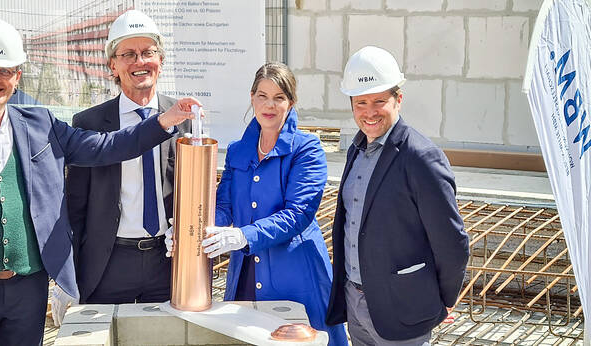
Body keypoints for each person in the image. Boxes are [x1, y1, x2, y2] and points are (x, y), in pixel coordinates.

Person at [0, 18, 199, 346]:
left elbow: (106, 147)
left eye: (5, 71)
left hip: (27, 291)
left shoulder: (40, 125)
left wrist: (164, 121)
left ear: (17, 76)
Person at [167, 62, 348, 345]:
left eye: (279, 98)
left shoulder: (307, 150)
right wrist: (188, 230)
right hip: (246, 277)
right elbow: (223, 206)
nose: (269, 105)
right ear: (252, 98)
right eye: (262, 96)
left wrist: (242, 235)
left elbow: (297, 214)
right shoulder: (239, 151)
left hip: (296, 277)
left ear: (291, 102)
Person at [325, 46, 470, 345]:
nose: (370, 112)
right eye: (361, 102)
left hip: (403, 308)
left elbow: (452, 242)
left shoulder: (421, 157)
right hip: (355, 302)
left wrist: (443, 300)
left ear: (398, 99)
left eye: (379, 101)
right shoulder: (357, 149)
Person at [65, 9, 188, 304]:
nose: (140, 62)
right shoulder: (89, 123)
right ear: (113, 64)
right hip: (108, 264)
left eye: (148, 52)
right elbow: (75, 207)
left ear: (161, 59)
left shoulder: (183, 117)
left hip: (167, 262)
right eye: (128, 54)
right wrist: (67, 277)